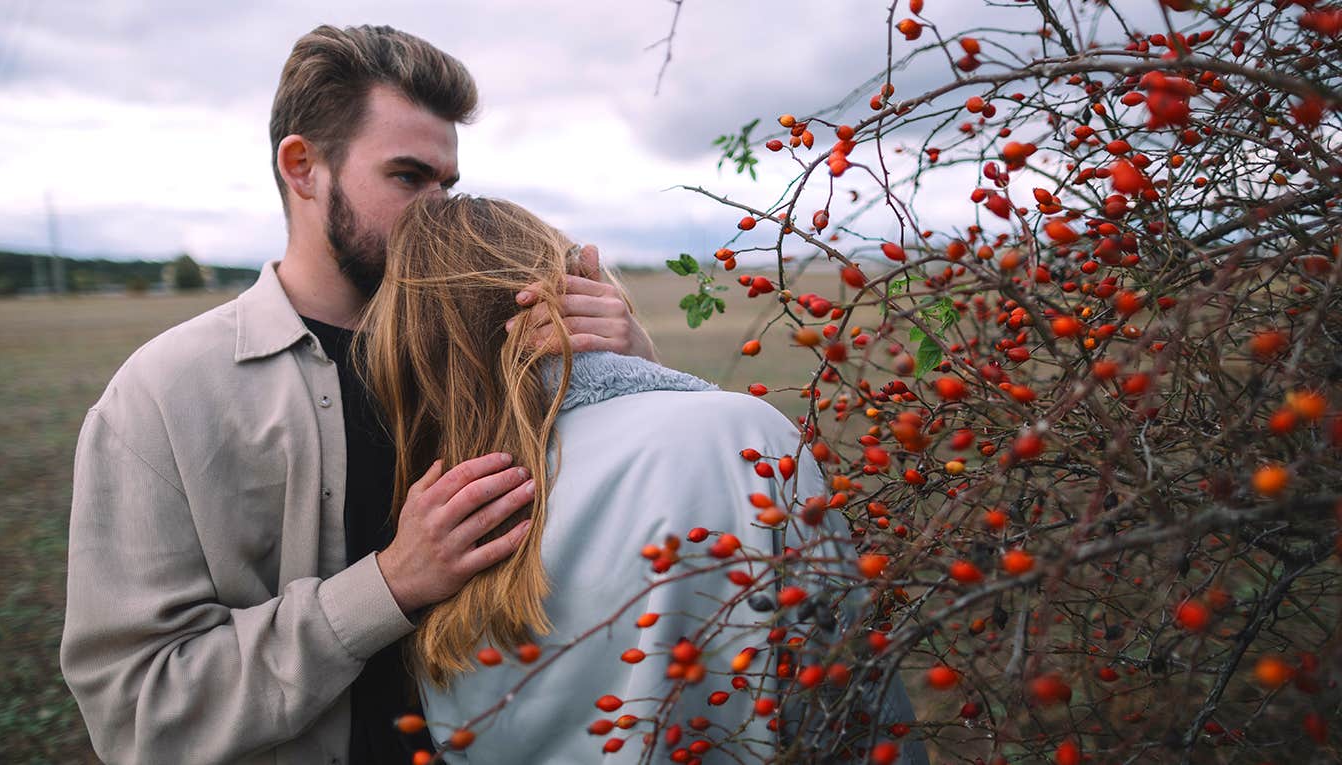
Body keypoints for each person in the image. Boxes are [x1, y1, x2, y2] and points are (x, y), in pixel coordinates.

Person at [60, 25, 657, 765]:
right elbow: (139, 708)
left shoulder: (498, 349)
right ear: (303, 167)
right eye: (409, 178)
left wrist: (629, 367)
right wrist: (390, 584)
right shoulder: (162, 396)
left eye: (449, 185)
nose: (439, 211)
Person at [356, 193, 929, 764]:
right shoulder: (745, 436)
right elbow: (847, 703)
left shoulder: (437, 525)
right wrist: (653, 375)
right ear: (578, 286)